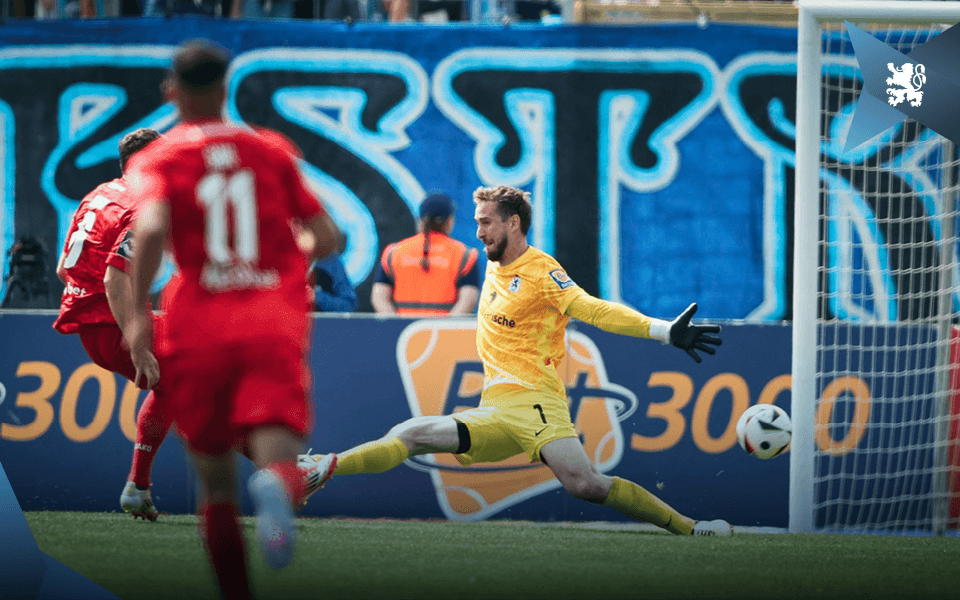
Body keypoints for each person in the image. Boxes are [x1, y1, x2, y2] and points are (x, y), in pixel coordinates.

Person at [303, 185, 732, 536]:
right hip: (495, 409)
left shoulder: (542, 272)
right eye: (476, 223)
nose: (479, 232)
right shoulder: (493, 265)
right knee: (412, 432)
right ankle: (327, 465)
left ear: (513, 223)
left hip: (536, 406)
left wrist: (662, 331)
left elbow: (595, 309)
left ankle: (692, 528)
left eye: (486, 223)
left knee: (585, 485)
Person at [124, 40, 340, 597]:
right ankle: (276, 485)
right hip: (270, 319)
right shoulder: (269, 149)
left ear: (172, 90)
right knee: (277, 453)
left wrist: (139, 315)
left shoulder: (159, 157)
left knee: (215, 484)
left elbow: (148, 230)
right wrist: (286, 261)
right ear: (226, 86)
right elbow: (329, 234)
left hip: (198, 324)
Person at [53, 127, 170, 521]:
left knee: (182, 384)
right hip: (116, 326)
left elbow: (62, 269)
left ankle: (138, 487)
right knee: (205, 373)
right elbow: (113, 277)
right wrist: (138, 344)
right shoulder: (144, 206)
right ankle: (286, 471)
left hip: (95, 327)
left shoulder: (99, 194)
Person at [371, 192, 479, 316]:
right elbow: (468, 300)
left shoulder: (393, 252)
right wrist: (445, 328)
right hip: (443, 332)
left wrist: (396, 325)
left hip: (404, 333)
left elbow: (379, 297)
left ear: (421, 221)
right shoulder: (465, 255)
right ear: (449, 222)